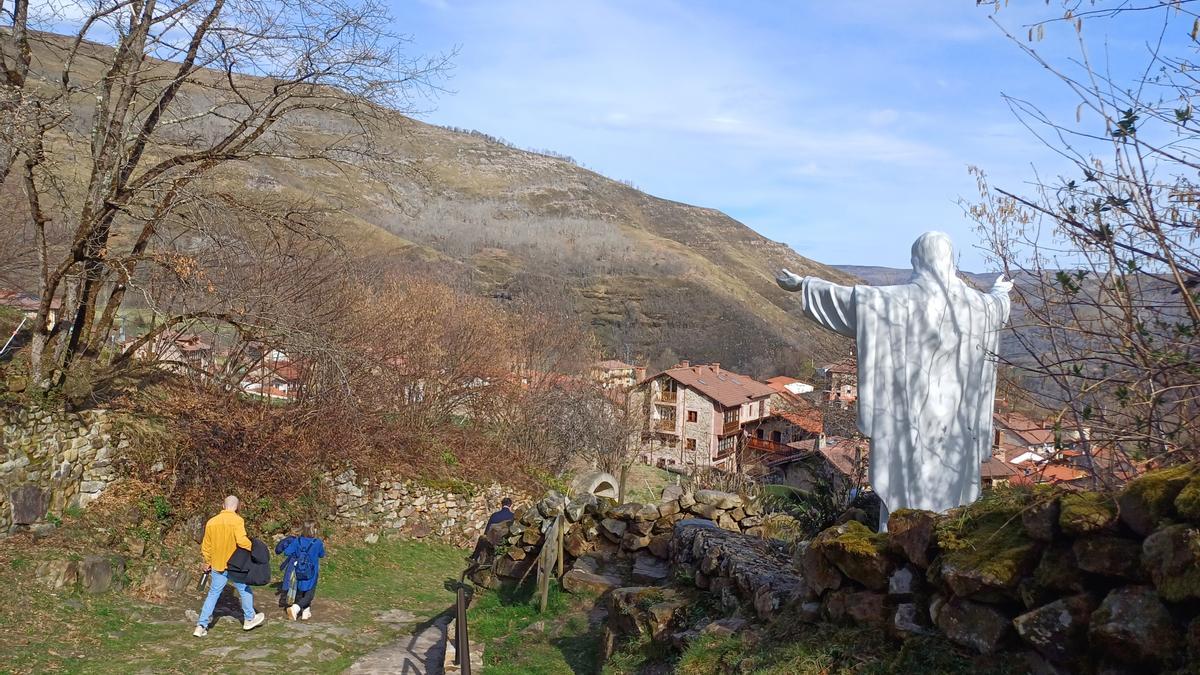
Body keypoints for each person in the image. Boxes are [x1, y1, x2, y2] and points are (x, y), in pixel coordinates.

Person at [777, 231, 1012, 530]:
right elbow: (998, 308)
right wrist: (1000, 291)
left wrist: (803, 284)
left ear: (917, 260)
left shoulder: (892, 302)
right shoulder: (978, 307)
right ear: (951, 262)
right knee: (950, 494)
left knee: (905, 491)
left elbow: (847, 299)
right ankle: (943, 544)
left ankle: (900, 549)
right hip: (956, 418)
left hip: (907, 418)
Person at [194, 495, 265, 636]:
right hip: (235, 565)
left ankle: (201, 625)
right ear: (238, 507)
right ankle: (249, 618)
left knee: (213, 594)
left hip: (217, 564)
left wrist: (208, 560)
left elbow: (206, 546)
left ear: (223, 505)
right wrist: (255, 548)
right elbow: (241, 541)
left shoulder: (211, 522)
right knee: (244, 590)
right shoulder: (237, 521)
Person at [276, 521, 326, 621]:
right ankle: (296, 608)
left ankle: (306, 612)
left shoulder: (297, 541)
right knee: (309, 594)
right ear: (314, 530)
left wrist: (297, 555)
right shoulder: (318, 543)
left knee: (300, 591)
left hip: (299, 569)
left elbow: (287, 552)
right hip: (312, 571)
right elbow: (321, 554)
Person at [468, 497, 515, 564]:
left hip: (492, 540)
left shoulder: (495, 515)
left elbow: (487, 530)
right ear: (510, 505)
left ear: (502, 504)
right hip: (505, 541)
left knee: (481, 538)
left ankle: (474, 557)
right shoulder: (512, 517)